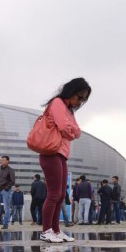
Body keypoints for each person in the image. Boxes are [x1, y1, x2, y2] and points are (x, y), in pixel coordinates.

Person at [38, 78, 91, 243]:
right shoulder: (58, 103)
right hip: (51, 152)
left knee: (61, 195)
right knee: (54, 194)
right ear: (72, 91)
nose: (80, 101)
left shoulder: (69, 110)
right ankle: (46, 230)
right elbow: (64, 128)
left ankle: (55, 230)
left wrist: (70, 130)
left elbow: (78, 131)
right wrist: (70, 131)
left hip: (61, 155)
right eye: (79, 96)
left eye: (83, 99)